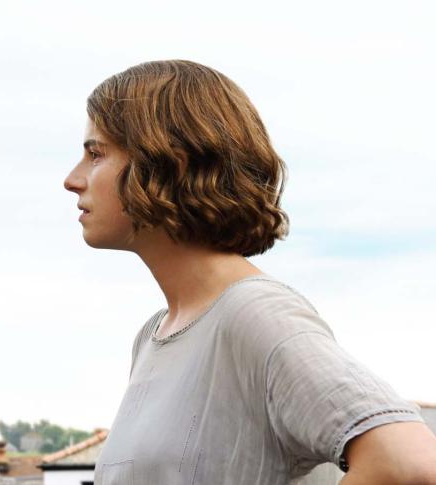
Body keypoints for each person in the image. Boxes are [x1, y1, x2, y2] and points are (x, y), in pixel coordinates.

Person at [63, 60, 436, 484]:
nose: (72, 179)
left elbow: (408, 463)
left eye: (96, 154)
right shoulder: (154, 336)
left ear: (170, 162)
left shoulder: (253, 313)